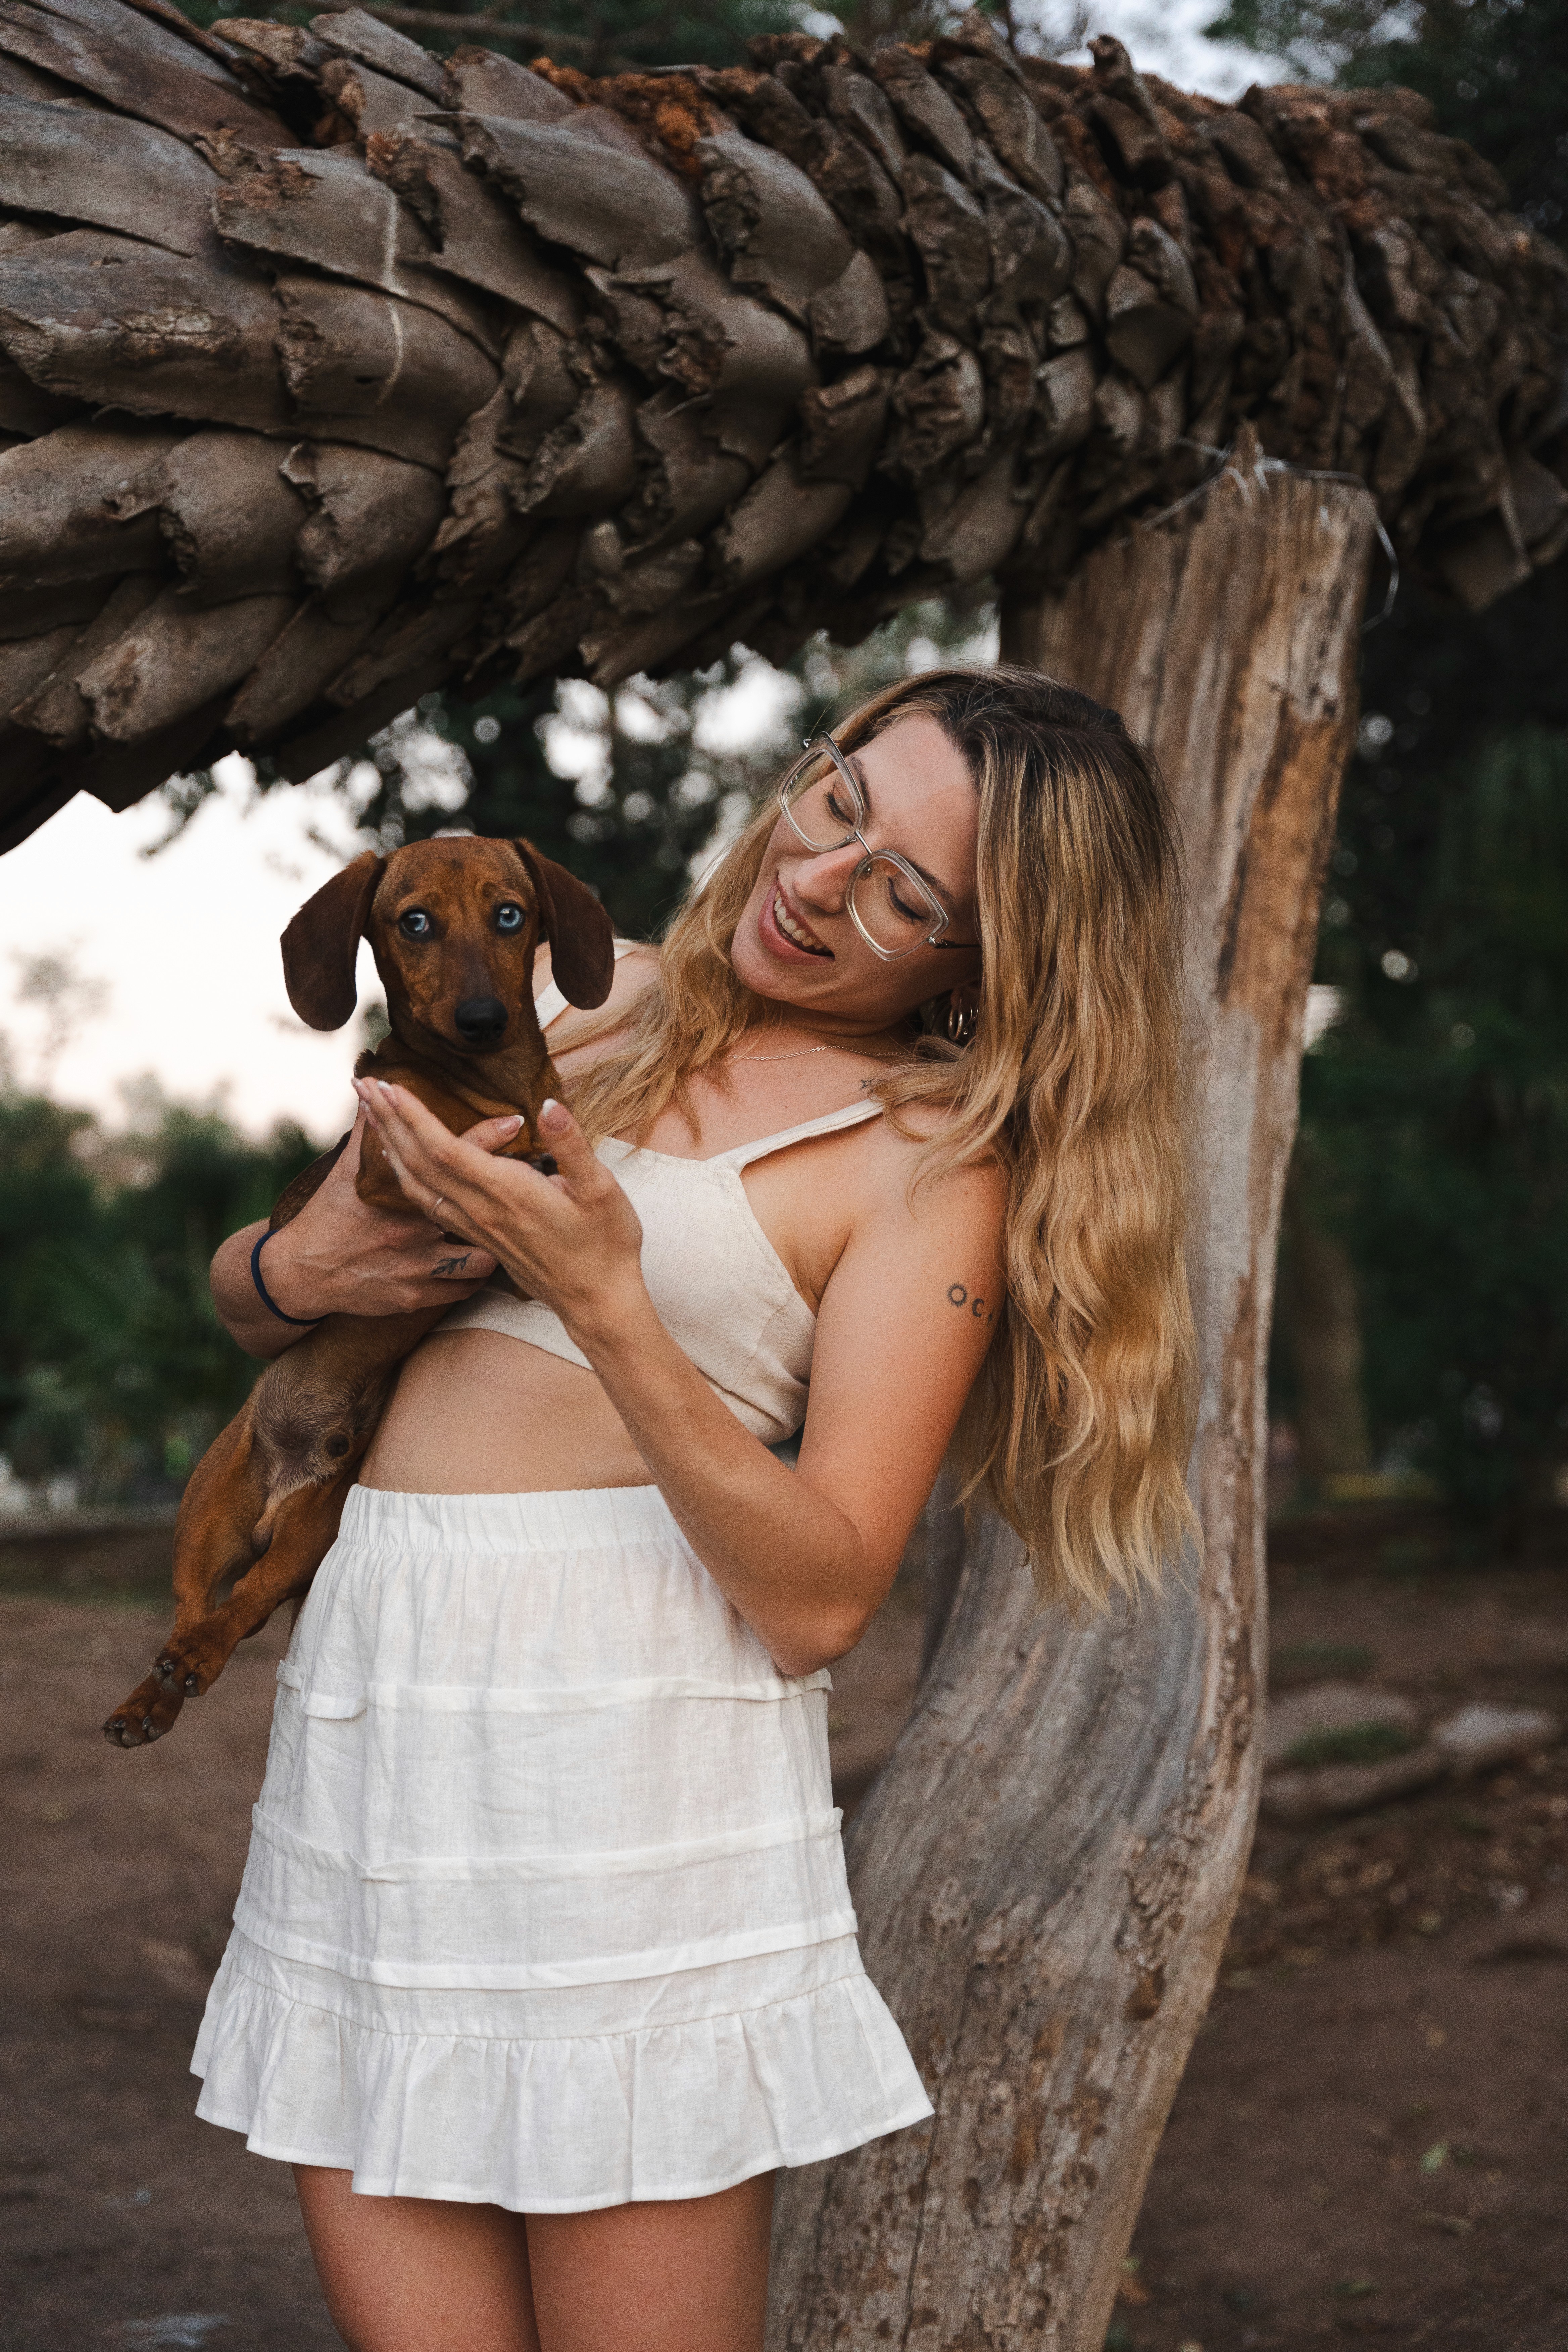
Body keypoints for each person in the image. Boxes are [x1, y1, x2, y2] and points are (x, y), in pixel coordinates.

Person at [197, 666, 1197, 2352]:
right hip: (385, 1738)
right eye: (837, 803)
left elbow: (818, 1599)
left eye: (905, 892)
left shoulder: (926, 1162)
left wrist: (605, 1297)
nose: (817, 880)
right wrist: (293, 1265)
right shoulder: (581, 1004)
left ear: (989, 960)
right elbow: (253, 1305)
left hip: (633, 1779)